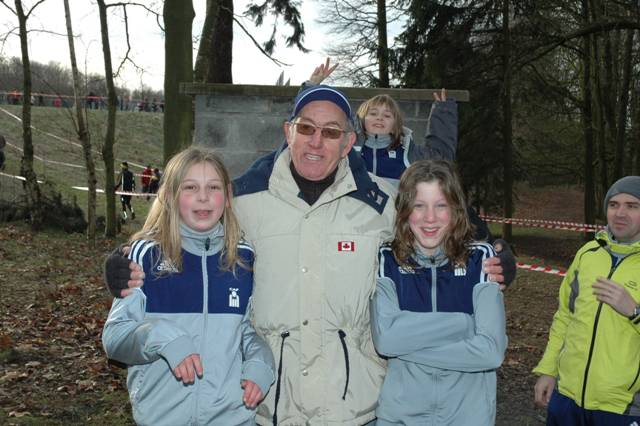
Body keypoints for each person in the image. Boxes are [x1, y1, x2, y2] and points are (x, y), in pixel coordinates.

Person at [104, 85, 513, 425]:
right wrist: (122, 263)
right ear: (289, 131)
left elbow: (442, 223)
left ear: (349, 141)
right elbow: (186, 228)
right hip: (267, 407)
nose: (317, 142)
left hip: (354, 407)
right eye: (307, 128)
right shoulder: (246, 199)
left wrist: (497, 255)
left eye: (331, 132)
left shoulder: (382, 203)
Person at [102, 147, 275, 426]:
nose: (203, 197)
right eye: (190, 187)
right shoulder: (145, 255)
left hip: (232, 417)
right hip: (161, 416)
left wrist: (261, 364)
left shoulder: (242, 258)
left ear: (228, 196)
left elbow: (245, 331)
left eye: (214, 187)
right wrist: (163, 337)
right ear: (169, 195)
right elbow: (115, 338)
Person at [371, 160, 507, 425]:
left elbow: (490, 352)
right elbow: (386, 341)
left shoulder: (479, 259)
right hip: (401, 417)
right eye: (419, 205)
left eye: (440, 205)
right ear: (404, 211)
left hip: (467, 416)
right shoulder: (387, 259)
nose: (429, 218)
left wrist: (405, 344)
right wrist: (464, 323)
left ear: (456, 209)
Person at [307, 58, 498, 245]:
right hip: (354, 231)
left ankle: (487, 247)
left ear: (395, 123)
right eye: (373, 113)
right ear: (361, 119)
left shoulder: (408, 153)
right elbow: (312, 126)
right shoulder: (347, 150)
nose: (379, 118)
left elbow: (442, 157)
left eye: (387, 115)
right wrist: (310, 88)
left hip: (398, 233)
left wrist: (444, 112)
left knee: (459, 205)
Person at [533, 176, 640, 426]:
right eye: (613, 205)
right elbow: (565, 317)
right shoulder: (588, 253)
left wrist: (634, 310)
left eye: (632, 206)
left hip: (623, 408)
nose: (620, 213)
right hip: (567, 397)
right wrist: (549, 371)